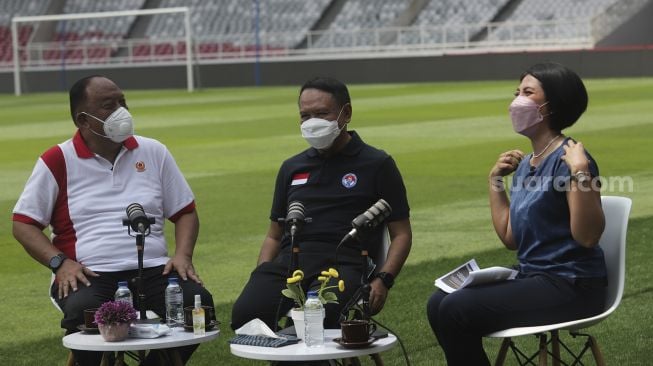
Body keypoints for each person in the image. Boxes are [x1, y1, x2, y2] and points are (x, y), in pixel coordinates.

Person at [12, 75, 213, 366]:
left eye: (123, 102)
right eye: (109, 105)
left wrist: (183, 255)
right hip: (90, 275)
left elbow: (185, 212)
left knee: (201, 309)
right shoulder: (57, 159)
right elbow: (23, 223)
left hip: (155, 270)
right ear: (84, 119)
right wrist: (60, 263)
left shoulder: (153, 151)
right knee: (85, 317)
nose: (122, 111)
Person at [426, 62, 607, 366]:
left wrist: (580, 172)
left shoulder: (572, 159)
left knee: (456, 309)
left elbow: (588, 236)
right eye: (517, 92)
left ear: (552, 104)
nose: (516, 101)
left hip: (572, 285)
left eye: (528, 92)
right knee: (438, 303)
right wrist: (495, 181)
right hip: (534, 277)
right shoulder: (526, 163)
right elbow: (511, 238)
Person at [231, 77, 412, 331]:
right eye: (305, 116)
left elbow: (401, 234)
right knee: (246, 317)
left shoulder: (377, 164)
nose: (312, 122)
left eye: (321, 113)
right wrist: (262, 273)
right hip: (290, 264)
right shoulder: (292, 168)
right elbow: (274, 236)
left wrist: (383, 280)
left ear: (345, 113)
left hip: (344, 266)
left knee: (314, 325)